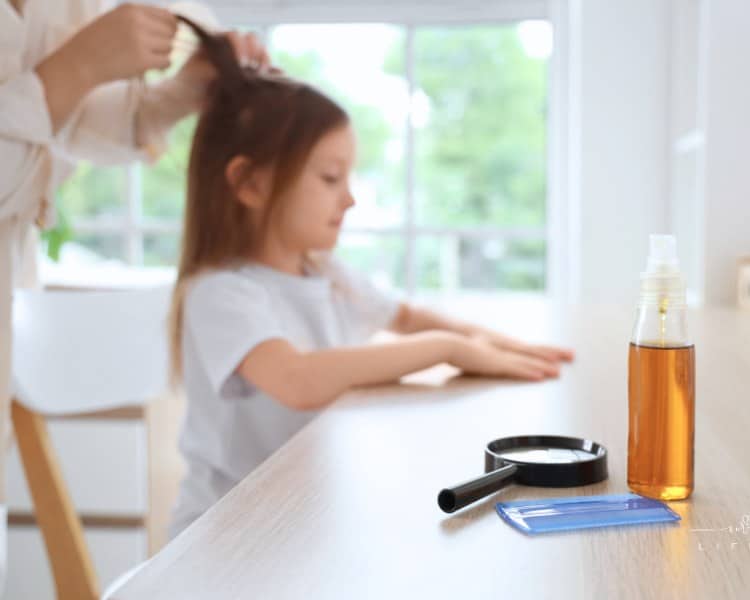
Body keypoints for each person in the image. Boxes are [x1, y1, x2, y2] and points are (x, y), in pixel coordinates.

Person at [168, 20, 575, 537]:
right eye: (330, 178)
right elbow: (297, 380)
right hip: (223, 540)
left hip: (297, 520)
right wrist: (447, 347)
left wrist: (503, 347)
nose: (350, 198)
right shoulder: (220, 293)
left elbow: (404, 317)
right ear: (249, 182)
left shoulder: (322, 271)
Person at [0, 1, 267, 588]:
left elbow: (67, 124)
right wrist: (78, 64)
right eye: (328, 178)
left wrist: (176, 92)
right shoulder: (226, 297)